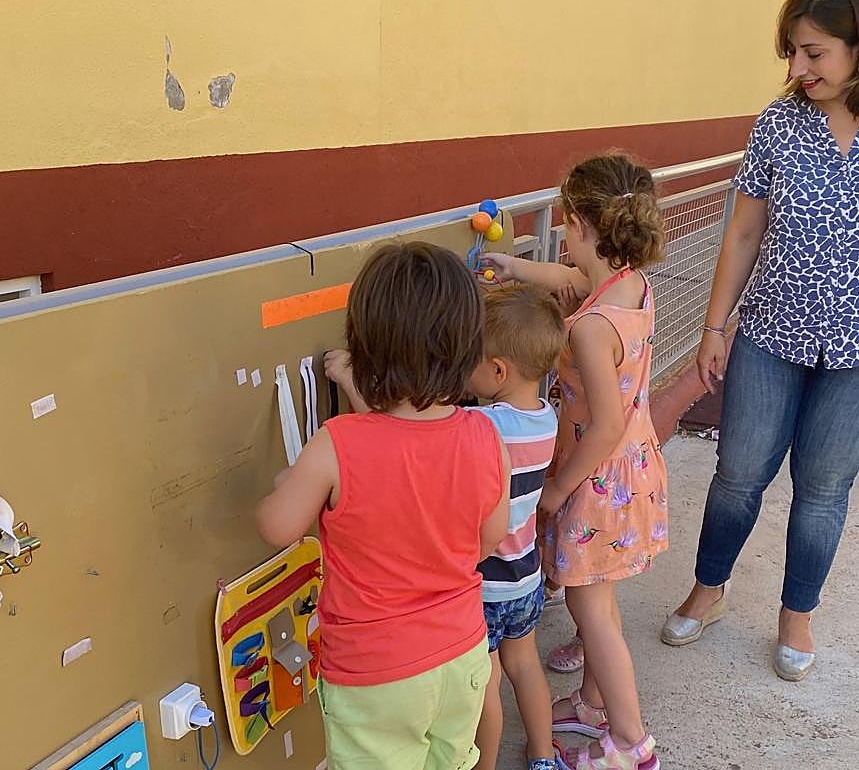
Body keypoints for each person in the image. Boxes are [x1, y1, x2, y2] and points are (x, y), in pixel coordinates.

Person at [660, 0, 859, 682]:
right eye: (792, 53)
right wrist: (714, 329)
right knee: (738, 473)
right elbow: (742, 235)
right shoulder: (777, 125)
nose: (797, 68)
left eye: (813, 52)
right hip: (772, 334)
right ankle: (709, 590)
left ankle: (796, 612)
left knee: (824, 487)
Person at [256, 241, 511, 770]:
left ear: (365, 345)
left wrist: (290, 481)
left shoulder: (335, 444)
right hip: (462, 652)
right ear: (469, 348)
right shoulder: (487, 437)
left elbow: (277, 527)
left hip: (377, 673)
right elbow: (488, 538)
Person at [483, 154, 668, 770]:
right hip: (629, 471)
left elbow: (605, 424)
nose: (561, 232)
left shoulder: (590, 328)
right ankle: (591, 703)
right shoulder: (628, 284)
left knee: (593, 616)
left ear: (583, 225)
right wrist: (511, 266)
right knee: (602, 599)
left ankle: (630, 743)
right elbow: (565, 278)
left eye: (565, 220)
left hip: (594, 481)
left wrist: (558, 489)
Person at [465, 286, 566, 770]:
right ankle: (543, 756)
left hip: (485, 583)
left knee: (486, 682)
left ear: (498, 371)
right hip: (525, 576)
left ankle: (484, 766)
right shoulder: (546, 418)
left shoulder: (482, 426)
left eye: (471, 360)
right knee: (525, 667)